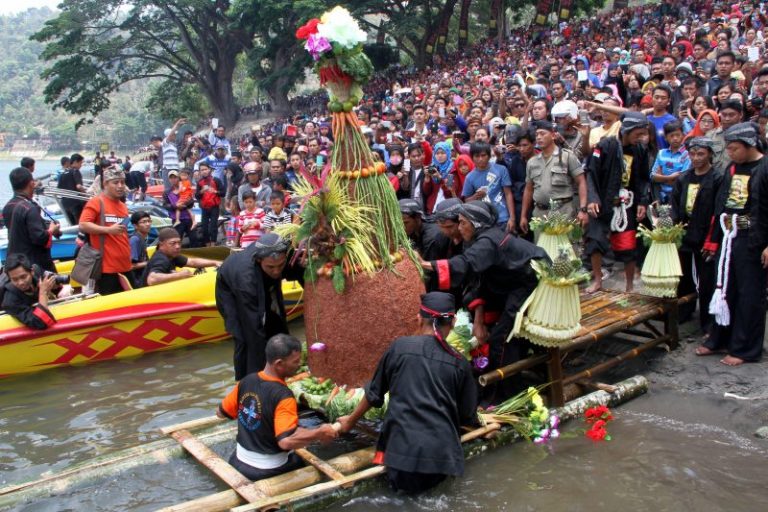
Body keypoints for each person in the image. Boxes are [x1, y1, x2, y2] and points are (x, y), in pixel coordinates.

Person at [337, 292, 478, 494]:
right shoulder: (459, 363)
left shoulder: (400, 348)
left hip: (400, 452)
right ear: (453, 322)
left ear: (419, 318)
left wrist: (350, 422)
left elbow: (374, 394)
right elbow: (467, 415)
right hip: (440, 457)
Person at [422, 201, 548, 402]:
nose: (460, 227)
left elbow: (466, 264)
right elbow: (477, 280)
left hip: (528, 282)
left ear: (476, 224)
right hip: (505, 286)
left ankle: (507, 395)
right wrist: (479, 321)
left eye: (463, 223)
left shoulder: (488, 241)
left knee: (502, 337)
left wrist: (426, 265)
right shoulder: (475, 239)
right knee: (492, 330)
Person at [217, 334, 338, 480]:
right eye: (295, 361)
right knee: (300, 461)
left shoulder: (246, 381)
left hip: (237, 461)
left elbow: (221, 413)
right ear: (279, 363)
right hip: (267, 469)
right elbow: (286, 441)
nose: (299, 364)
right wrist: (319, 432)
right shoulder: (284, 395)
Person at [697, 123, 768, 366]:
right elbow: (722, 203)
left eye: (734, 148)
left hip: (755, 238)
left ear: (750, 146)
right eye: (728, 148)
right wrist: (714, 238)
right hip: (729, 236)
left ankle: (744, 348)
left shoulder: (765, 167)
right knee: (724, 286)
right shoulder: (732, 168)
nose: (730, 152)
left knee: (749, 293)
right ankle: (719, 338)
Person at [215, 234, 301, 380]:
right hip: (231, 292)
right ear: (259, 260)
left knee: (276, 320)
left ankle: (283, 366)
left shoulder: (283, 254)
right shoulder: (245, 279)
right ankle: (249, 379)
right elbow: (254, 327)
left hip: (262, 279)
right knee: (245, 335)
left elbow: (299, 269)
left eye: (280, 266)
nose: (276, 271)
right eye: (271, 267)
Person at [585, 112, 650, 293]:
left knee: (628, 245)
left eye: (643, 134)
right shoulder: (606, 145)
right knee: (596, 240)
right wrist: (592, 199)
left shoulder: (640, 150)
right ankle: (598, 280)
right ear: (627, 131)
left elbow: (644, 179)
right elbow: (591, 173)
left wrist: (642, 203)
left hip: (626, 203)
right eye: (638, 134)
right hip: (603, 200)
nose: (641, 138)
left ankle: (629, 286)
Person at [669, 137, 722, 331]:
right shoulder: (684, 178)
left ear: (709, 153)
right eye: (692, 154)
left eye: (700, 154)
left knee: (706, 278)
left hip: (705, 234)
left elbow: (718, 208)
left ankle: (708, 319)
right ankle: (684, 310)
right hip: (684, 233)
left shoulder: (717, 178)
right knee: (683, 277)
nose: (696, 158)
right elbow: (675, 204)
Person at [520, 121, 589, 237]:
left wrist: (583, 210)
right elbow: (528, 190)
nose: (539, 137)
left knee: (564, 251)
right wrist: (523, 215)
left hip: (563, 211)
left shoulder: (567, 157)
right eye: (537, 135)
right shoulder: (532, 162)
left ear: (553, 135)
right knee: (543, 251)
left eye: (542, 134)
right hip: (540, 214)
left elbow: (581, 182)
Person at [79, 167, 133, 295]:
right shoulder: (97, 202)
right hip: (107, 268)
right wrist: (108, 229)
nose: (120, 186)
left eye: (122, 182)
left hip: (125, 264)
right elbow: (83, 224)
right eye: (115, 182)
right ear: (105, 184)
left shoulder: (122, 205)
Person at [2, 167, 60, 273]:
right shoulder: (29, 208)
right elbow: (39, 237)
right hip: (33, 263)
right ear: (31, 183)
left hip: (15, 261)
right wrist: (52, 230)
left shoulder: (7, 207)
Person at [462, 142, 516, 232]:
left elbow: (508, 194)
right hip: (484, 222)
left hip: (503, 218)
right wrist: (476, 196)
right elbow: (466, 201)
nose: (480, 159)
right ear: (472, 158)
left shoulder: (501, 169)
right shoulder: (470, 177)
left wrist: (512, 218)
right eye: (477, 156)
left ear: (489, 156)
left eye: (483, 155)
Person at [141, 228, 220, 286]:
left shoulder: (172, 255)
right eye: (173, 243)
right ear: (161, 245)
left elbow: (192, 262)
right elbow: (152, 279)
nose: (177, 246)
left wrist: (215, 262)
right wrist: (180, 275)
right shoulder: (161, 259)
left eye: (179, 243)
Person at [1, 254, 57, 330]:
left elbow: (55, 283)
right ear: (9, 279)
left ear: (32, 272)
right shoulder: (10, 301)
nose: (20, 282)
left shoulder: (37, 271)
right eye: (14, 279)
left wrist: (59, 288)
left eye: (23, 277)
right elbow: (39, 323)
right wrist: (43, 292)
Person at [650, 120, 691, 204]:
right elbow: (652, 176)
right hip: (660, 195)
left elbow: (681, 179)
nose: (675, 138)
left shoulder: (687, 155)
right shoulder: (661, 153)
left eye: (678, 135)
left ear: (683, 135)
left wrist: (661, 177)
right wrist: (669, 178)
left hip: (677, 196)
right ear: (665, 137)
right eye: (671, 136)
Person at [195, 162, 225, 247]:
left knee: (213, 227)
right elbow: (197, 196)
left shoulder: (216, 180)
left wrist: (215, 191)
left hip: (214, 207)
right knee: (204, 228)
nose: (204, 171)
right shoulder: (200, 182)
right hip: (204, 207)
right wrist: (201, 191)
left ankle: (213, 244)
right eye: (202, 170)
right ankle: (207, 245)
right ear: (200, 172)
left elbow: (223, 193)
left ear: (209, 170)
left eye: (205, 169)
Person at [57, 153, 86, 225]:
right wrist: (85, 192)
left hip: (65, 204)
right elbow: (79, 186)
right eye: (80, 163)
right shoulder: (76, 171)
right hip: (75, 203)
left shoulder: (63, 173)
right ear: (76, 162)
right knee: (80, 225)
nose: (81, 166)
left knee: (72, 225)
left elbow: (59, 189)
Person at [129, 211, 152, 288]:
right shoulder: (135, 240)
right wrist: (150, 262)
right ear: (135, 226)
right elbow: (131, 266)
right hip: (138, 281)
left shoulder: (141, 238)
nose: (148, 224)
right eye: (144, 222)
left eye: (149, 221)